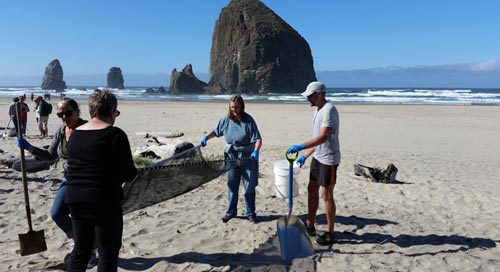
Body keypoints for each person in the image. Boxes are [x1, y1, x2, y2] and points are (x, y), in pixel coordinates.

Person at [17, 98, 97, 268]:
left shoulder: (88, 129)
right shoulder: (62, 131)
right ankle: (84, 244)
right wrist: (29, 147)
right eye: (60, 114)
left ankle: (88, 251)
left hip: (87, 182)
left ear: (77, 112)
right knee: (57, 213)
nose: (64, 117)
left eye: (68, 113)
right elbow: (51, 155)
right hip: (69, 180)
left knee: (82, 219)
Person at [66, 89, 137, 271]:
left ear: (92, 111)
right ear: (112, 110)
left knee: (81, 249)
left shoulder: (75, 135)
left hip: (75, 198)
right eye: (116, 112)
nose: (116, 116)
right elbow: (130, 173)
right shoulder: (115, 135)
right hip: (104, 200)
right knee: (107, 252)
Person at [287, 81, 340, 246]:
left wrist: (301, 146)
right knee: (312, 188)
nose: (307, 99)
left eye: (310, 96)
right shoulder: (317, 110)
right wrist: (306, 155)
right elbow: (317, 140)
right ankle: (310, 224)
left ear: (319, 94)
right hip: (318, 156)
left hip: (329, 159)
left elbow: (324, 137)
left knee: (327, 194)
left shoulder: (329, 110)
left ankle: (330, 233)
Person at [200, 95, 262, 224]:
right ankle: (231, 211)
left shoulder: (248, 120)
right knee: (232, 184)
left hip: (248, 157)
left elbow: (258, 139)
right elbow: (216, 131)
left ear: (242, 107)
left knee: (249, 186)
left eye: (237, 108)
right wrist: (206, 138)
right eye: (232, 107)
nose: (234, 110)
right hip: (231, 157)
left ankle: (251, 213)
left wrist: (256, 151)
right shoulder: (226, 119)